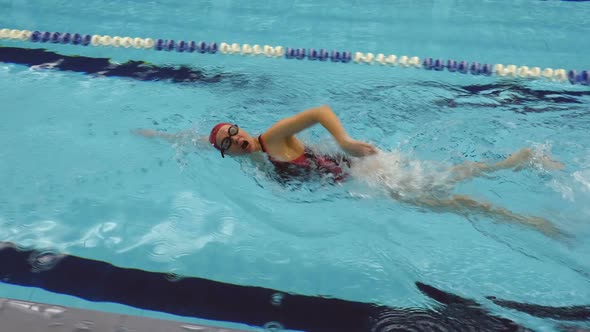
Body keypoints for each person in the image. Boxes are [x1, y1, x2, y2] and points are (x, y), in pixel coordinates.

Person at [135, 105, 565, 238]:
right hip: (358, 181)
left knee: (447, 193)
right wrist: (159, 135)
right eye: (227, 142)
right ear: (227, 153)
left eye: (235, 131)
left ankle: (525, 191)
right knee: (447, 192)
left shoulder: (272, 139)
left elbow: (320, 111)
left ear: (244, 128)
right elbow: (198, 140)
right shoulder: (254, 159)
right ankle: (520, 187)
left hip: (367, 173)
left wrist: (342, 141)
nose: (236, 138)